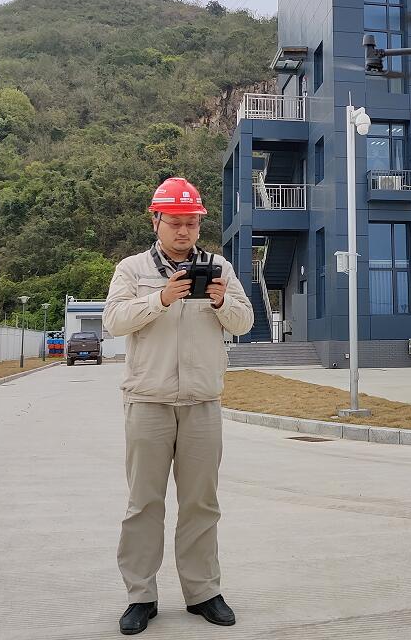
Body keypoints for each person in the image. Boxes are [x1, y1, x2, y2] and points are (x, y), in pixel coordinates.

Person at [103, 177, 253, 635]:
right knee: (144, 503)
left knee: (201, 503)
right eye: (175, 222)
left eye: (191, 222)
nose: (184, 231)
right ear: (156, 221)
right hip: (147, 401)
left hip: (202, 403)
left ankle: (203, 592)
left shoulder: (220, 267)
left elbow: (245, 322)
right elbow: (114, 321)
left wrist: (222, 302)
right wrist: (161, 298)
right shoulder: (132, 269)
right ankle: (140, 596)